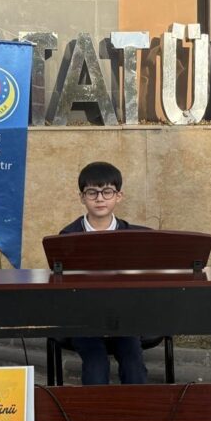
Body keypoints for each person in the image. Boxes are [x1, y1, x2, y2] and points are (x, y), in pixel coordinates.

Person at [57, 161, 148, 385]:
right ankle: (95, 408)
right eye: (92, 192)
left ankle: (139, 406)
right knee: (96, 363)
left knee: (133, 360)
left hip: (124, 318)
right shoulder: (67, 237)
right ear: (82, 197)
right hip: (83, 319)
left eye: (107, 192)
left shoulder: (135, 237)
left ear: (119, 196)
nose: (100, 199)